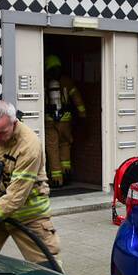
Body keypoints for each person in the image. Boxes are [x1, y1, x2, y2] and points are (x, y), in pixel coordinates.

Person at [0, 100, 62, 268]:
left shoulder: (29, 145)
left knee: (48, 270)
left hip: (28, 216)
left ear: (14, 124)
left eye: (1, 133)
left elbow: (15, 198)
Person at [44, 54, 86, 187]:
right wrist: (82, 114)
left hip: (50, 121)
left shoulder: (44, 81)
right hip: (66, 121)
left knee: (52, 148)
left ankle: (57, 179)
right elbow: (77, 99)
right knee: (65, 145)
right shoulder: (67, 81)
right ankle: (66, 173)